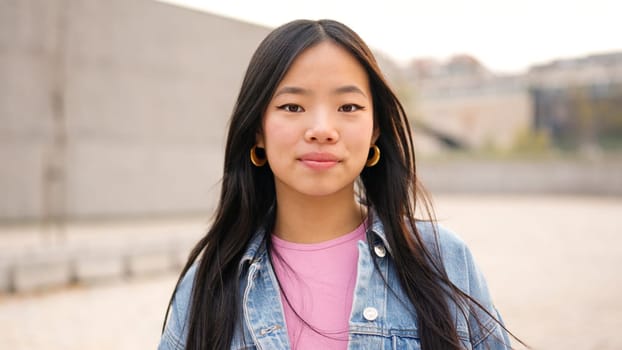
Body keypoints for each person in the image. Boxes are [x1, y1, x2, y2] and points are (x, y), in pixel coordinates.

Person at [158, 19, 519, 350]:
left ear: (375, 128)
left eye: (347, 107)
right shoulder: (209, 283)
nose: (322, 130)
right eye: (292, 107)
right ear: (257, 130)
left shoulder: (442, 260)